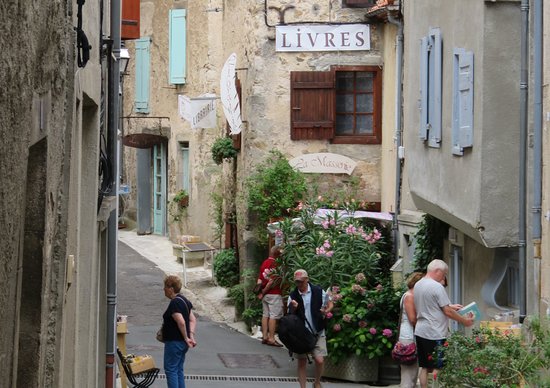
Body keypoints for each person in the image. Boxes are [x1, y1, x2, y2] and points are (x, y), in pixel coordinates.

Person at [413, 260, 474, 388]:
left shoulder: (418, 284)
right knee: (438, 367)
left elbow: (430, 303)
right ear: (437, 271)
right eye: (444, 274)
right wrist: (465, 321)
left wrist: (450, 306)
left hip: (420, 331)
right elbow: (447, 312)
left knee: (424, 366)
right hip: (435, 333)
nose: (444, 277)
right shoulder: (437, 286)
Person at [288, 269, 333, 388]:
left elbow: (330, 303)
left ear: (307, 280)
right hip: (301, 334)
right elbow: (289, 316)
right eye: (297, 282)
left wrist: (326, 311)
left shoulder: (318, 291)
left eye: (301, 282)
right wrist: (294, 308)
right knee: (302, 362)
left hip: (317, 330)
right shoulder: (293, 295)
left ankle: (317, 382)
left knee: (320, 360)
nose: (299, 285)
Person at [162, 275, 197, 388]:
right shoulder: (185, 301)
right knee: (178, 369)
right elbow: (192, 319)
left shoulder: (174, 303)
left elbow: (181, 322)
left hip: (174, 341)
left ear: (171, 289)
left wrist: (187, 337)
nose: (164, 290)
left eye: (165, 287)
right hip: (182, 343)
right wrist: (190, 336)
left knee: (171, 369)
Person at [398, 272, 424, 388]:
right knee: (409, 375)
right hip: (408, 337)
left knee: (411, 375)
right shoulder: (409, 296)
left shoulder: (409, 295)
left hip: (409, 336)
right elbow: (412, 319)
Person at [256, 246, 284, 347]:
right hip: (273, 293)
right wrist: (264, 291)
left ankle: (264, 336)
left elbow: (259, 279)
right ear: (278, 254)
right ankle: (272, 338)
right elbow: (272, 281)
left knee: (265, 314)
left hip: (265, 294)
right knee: (273, 316)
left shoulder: (264, 262)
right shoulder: (275, 264)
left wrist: (260, 292)